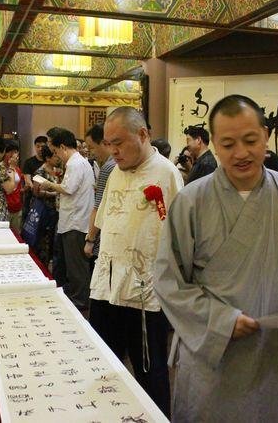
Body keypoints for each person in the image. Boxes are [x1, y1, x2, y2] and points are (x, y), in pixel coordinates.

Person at [153, 95, 278, 423]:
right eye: (228, 143)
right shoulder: (192, 200)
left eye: (250, 140)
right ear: (215, 146)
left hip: (268, 354)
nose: (241, 153)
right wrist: (221, 320)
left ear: (266, 136)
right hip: (209, 351)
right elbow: (169, 280)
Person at [89, 107, 183, 417]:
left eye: (119, 142)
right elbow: (104, 218)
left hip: (145, 293)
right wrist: (90, 242)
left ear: (142, 135)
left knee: (149, 369)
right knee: (105, 362)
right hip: (107, 284)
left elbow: (178, 235)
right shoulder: (115, 171)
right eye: (108, 143)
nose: (112, 150)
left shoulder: (166, 173)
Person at [41, 127, 95, 310]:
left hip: (76, 221)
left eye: (56, 151)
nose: (57, 156)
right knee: (72, 264)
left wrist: (49, 184)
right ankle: (76, 297)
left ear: (63, 147)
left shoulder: (75, 163)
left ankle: (80, 300)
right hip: (75, 219)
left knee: (76, 266)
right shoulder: (80, 162)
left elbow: (68, 188)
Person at [82, 123, 116, 274]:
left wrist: (90, 240)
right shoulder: (117, 165)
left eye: (92, 148)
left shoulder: (108, 167)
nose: (91, 153)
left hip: (104, 237)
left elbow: (99, 207)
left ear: (104, 143)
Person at [30, 145, 62, 268]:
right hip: (44, 210)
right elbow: (36, 192)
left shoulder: (57, 170)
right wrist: (53, 193)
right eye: (55, 155)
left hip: (55, 210)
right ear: (48, 158)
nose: (57, 157)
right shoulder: (40, 172)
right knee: (43, 241)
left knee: (53, 241)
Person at [22, 136, 48, 221]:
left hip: (48, 201)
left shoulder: (50, 161)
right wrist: (36, 189)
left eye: (43, 146)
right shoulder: (29, 162)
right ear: (35, 146)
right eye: (38, 146)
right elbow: (28, 180)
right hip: (32, 199)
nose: (40, 149)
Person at [2, 140, 23, 232]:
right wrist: (11, 167)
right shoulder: (0, 168)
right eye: (10, 152)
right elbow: (7, 189)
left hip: (17, 207)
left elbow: (17, 186)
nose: (13, 155)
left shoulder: (17, 169)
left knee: (17, 235)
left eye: (15, 152)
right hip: (4, 208)